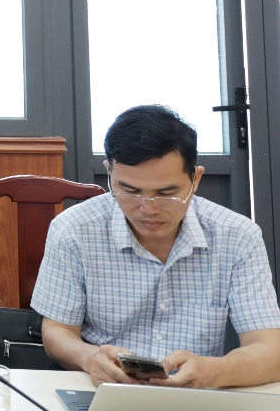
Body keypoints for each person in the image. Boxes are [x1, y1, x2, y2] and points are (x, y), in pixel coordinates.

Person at [32, 104, 280, 389]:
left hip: (195, 396)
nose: (148, 209)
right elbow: (57, 331)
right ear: (109, 172)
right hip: (102, 389)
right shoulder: (73, 229)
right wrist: (90, 358)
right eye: (130, 190)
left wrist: (215, 371)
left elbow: (271, 352)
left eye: (166, 193)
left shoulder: (238, 237)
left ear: (196, 179)